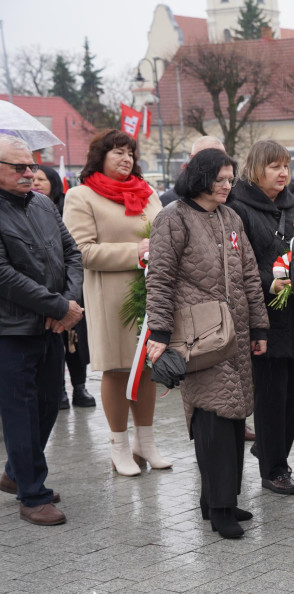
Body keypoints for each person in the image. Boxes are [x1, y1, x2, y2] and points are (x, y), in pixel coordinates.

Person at [145, 148, 269, 539]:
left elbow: (249, 273)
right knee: (212, 416)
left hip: (236, 332)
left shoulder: (230, 217)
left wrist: (261, 328)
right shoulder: (173, 218)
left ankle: (221, 499)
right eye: (221, 180)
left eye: (231, 180)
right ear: (200, 178)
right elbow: (160, 279)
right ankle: (219, 509)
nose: (228, 186)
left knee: (234, 415)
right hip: (197, 337)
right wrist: (160, 336)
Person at [64, 129, 171, 476]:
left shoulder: (147, 192)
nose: (126, 159)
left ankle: (146, 441)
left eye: (130, 153)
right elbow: (82, 251)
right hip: (111, 293)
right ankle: (118, 445)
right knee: (117, 368)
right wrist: (135, 252)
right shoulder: (82, 196)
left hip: (153, 290)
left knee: (149, 365)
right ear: (100, 156)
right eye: (117, 153)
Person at [0, 134, 82, 525]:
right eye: (19, 167)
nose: (30, 173)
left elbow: (72, 254)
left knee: (51, 402)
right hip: (11, 330)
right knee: (22, 412)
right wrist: (57, 306)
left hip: (52, 325)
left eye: (31, 165)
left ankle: (17, 473)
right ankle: (32, 495)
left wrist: (68, 303)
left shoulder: (45, 205)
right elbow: (4, 275)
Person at [226, 140, 294, 496]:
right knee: (272, 395)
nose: (283, 173)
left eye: (286, 166)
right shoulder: (238, 208)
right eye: (274, 166)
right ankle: (274, 467)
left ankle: (269, 448)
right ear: (255, 168)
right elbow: (236, 263)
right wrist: (268, 282)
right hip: (263, 313)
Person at [33, 165, 96, 410]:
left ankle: (79, 386)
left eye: (42, 179)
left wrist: (71, 292)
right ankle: (58, 388)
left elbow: (73, 250)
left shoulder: (63, 208)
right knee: (55, 339)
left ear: (54, 183)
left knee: (75, 340)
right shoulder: (23, 208)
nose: (36, 182)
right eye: (33, 178)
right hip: (43, 288)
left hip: (69, 286)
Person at [160, 136, 227, 206]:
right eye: (209, 158)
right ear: (193, 158)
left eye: (222, 158)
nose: (217, 163)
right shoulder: (170, 199)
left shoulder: (230, 195)